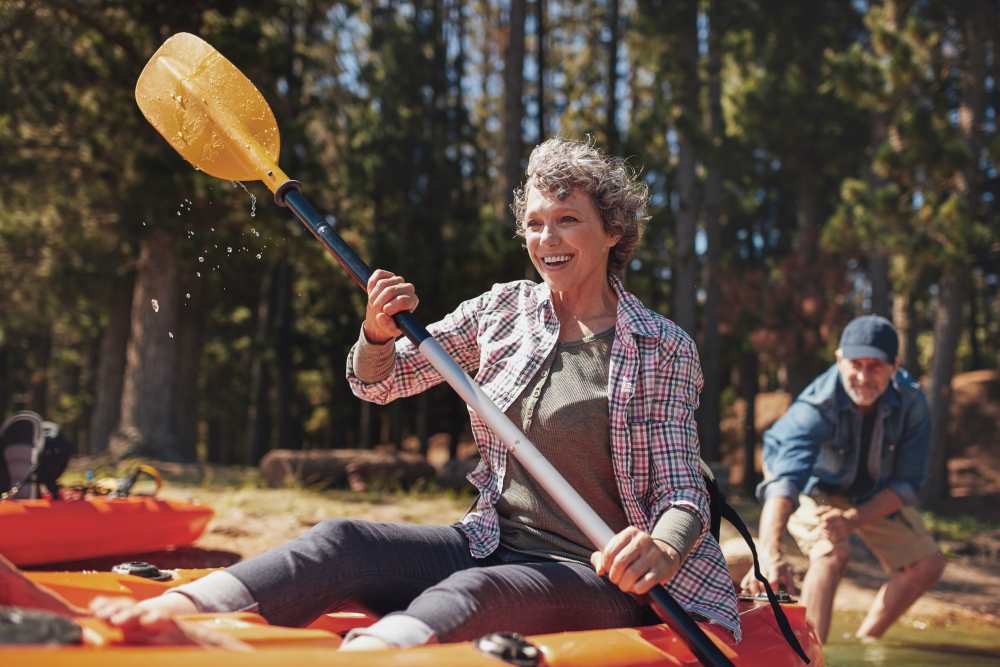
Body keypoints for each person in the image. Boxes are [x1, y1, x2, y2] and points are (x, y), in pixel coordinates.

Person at [87, 137, 739, 649]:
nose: (547, 240)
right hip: (494, 538)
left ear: (614, 231)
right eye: (536, 223)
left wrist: (660, 545)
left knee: (476, 592)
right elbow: (383, 380)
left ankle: (367, 654)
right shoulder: (502, 312)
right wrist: (374, 333)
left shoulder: (660, 345)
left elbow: (682, 489)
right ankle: (172, 613)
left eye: (568, 220)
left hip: (604, 574)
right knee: (342, 540)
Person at [741, 315, 945, 643]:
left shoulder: (913, 402)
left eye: (875, 366)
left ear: (895, 365)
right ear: (839, 360)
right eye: (855, 364)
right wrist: (769, 553)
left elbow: (907, 483)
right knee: (831, 551)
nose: (863, 377)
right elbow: (785, 480)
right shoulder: (817, 404)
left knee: (928, 564)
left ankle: (866, 642)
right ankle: (808, 654)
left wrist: (852, 520)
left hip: (869, 492)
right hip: (811, 484)